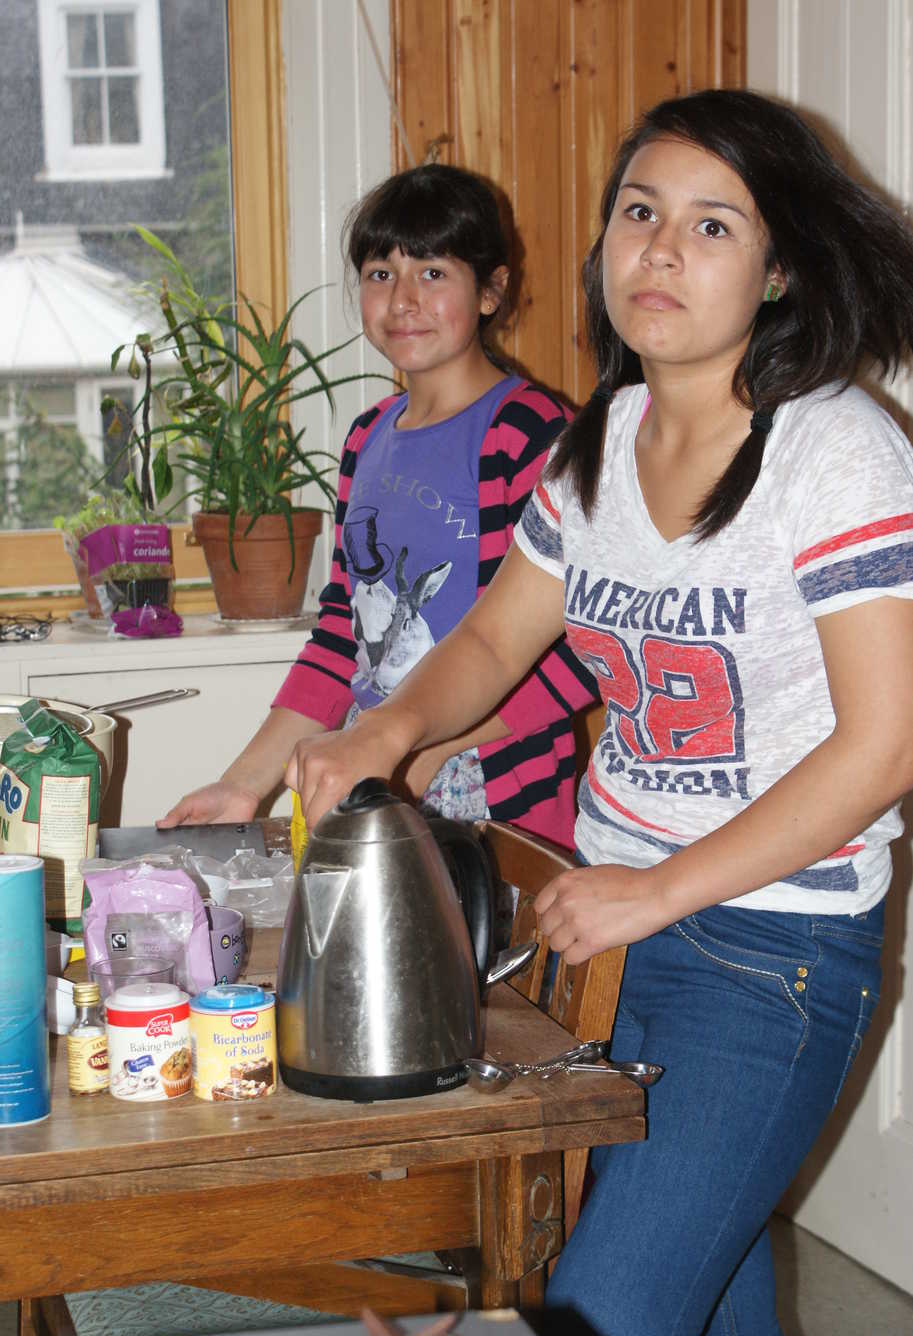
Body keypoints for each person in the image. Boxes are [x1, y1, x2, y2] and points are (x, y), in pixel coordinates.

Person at [282, 90, 913, 1336]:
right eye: (639, 212)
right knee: (709, 1297)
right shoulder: (601, 437)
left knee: (602, 1319)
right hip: (609, 927)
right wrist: (383, 734)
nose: (660, 251)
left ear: (780, 265)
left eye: (712, 225)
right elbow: (493, 640)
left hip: (769, 954)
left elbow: (884, 746)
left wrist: (655, 890)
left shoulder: (836, 453)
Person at [160, 163, 597, 846]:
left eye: (432, 273)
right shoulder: (367, 439)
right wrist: (244, 783)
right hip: (379, 775)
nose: (402, 300)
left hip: (499, 805)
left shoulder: (530, 436)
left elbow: (583, 655)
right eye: (379, 273)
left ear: (490, 290)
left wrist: (421, 751)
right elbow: (342, 637)